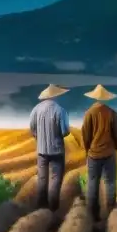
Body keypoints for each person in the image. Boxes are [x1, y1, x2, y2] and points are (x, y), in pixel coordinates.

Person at [81, 84, 117, 222]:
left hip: (94, 154)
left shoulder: (89, 113)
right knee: (110, 182)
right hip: (109, 153)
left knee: (93, 182)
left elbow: (85, 135)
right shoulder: (112, 113)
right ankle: (110, 212)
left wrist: (88, 150)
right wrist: (115, 147)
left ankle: (92, 214)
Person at [29, 83, 71, 211]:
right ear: (56, 95)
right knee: (55, 178)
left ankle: (41, 206)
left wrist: (39, 137)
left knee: (42, 178)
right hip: (57, 150)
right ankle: (52, 208)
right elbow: (65, 131)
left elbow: (32, 129)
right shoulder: (60, 110)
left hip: (41, 150)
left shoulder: (36, 109)